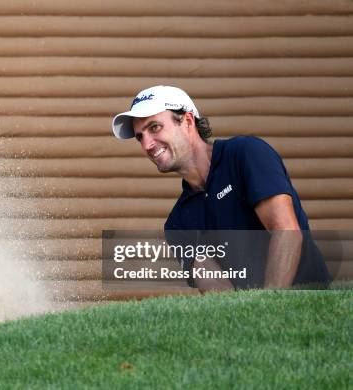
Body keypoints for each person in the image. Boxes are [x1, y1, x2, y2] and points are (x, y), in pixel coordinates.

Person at [111, 85, 332, 292]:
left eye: (154, 127)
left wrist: (269, 307)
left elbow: (286, 230)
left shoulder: (246, 154)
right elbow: (221, 296)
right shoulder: (177, 225)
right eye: (140, 137)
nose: (147, 145)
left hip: (310, 310)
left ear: (188, 121)